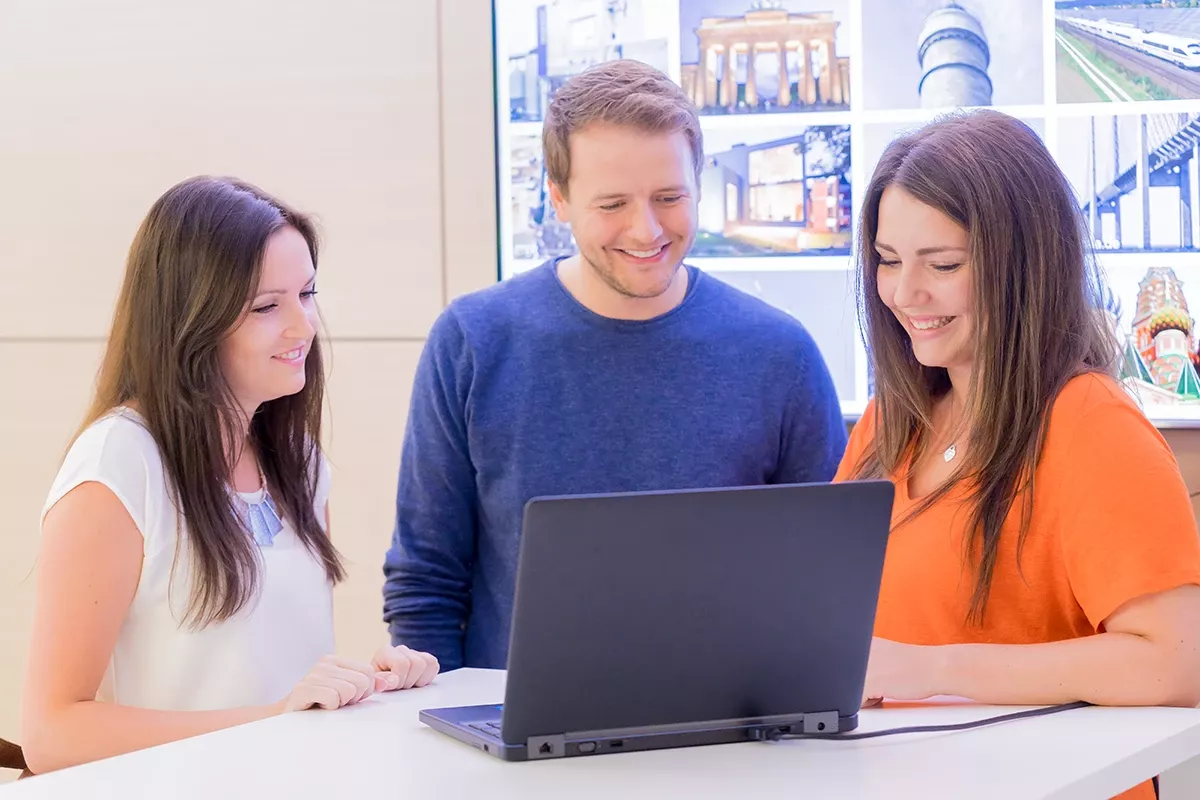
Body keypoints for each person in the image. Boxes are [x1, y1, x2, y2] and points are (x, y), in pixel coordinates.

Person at [384, 59, 848, 671]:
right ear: (560, 199)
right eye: (612, 204)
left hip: (730, 739)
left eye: (668, 197)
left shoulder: (781, 354)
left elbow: (830, 578)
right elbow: (426, 582)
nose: (646, 229)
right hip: (520, 745)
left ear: (698, 185)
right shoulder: (472, 341)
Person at [837, 110, 1200, 800]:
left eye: (941, 265)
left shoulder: (1092, 427)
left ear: (1022, 266)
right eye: (887, 261)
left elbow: (1178, 665)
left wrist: (924, 671)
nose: (904, 294)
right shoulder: (890, 426)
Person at [21, 176, 439, 775]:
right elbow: (53, 732)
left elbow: (271, 678)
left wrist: (363, 687)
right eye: (267, 307)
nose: (303, 327)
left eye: (307, 293)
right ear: (189, 321)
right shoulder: (119, 464)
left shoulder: (298, 462)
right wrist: (275, 717)